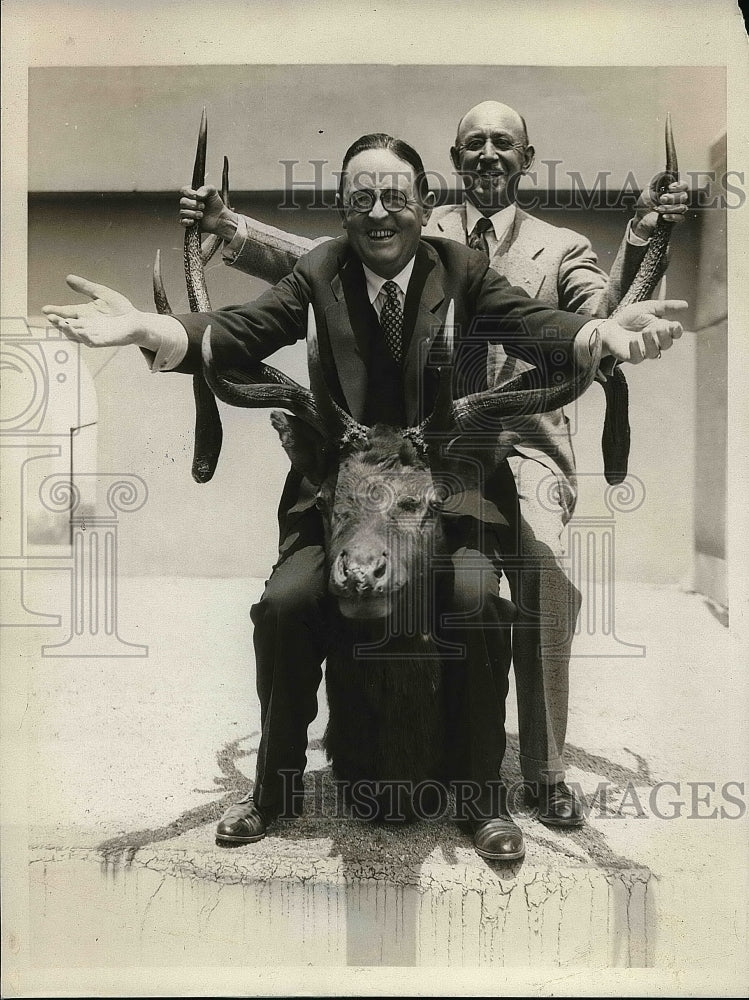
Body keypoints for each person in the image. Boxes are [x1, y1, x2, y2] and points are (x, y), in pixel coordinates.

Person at [43, 133, 685, 861]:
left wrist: (594, 331)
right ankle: (275, 789)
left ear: (423, 205)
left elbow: (532, 321)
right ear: (345, 209)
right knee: (286, 603)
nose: (378, 213)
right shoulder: (322, 268)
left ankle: (481, 799)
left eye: (394, 198)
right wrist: (153, 328)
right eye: (360, 199)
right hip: (343, 491)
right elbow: (245, 328)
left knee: (476, 596)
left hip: (443, 482)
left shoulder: (460, 266)